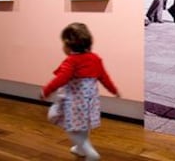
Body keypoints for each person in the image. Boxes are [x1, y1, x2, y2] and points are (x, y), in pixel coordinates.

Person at [41, 22, 119, 160]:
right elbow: (104, 77)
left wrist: (46, 91)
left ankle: (90, 153)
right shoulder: (95, 59)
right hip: (89, 102)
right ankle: (80, 148)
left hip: (73, 103)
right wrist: (114, 90)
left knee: (66, 124)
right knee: (82, 126)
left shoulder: (71, 61)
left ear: (68, 45)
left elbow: (60, 79)